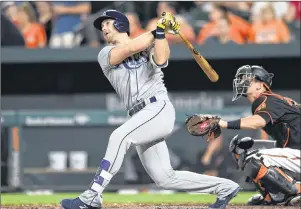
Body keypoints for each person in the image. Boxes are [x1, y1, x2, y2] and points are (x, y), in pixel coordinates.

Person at [60, 9, 240, 209]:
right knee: (165, 178)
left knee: (119, 137)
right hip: (141, 115)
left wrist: (161, 34)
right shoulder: (105, 53)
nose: (103, 28)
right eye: (101, 26)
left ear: (120, 24)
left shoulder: (147, 43)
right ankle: (226, 187)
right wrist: (159, 29)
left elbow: (161, 60)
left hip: (157, 107)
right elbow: (129, 49)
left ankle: (92, 195)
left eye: (107, 23)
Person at [187, 65, 300, 206]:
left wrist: (223, 123)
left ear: (260, 85)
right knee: (245, 152)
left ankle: (296, 190)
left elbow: (258, 122)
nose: (242, 82)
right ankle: (272, 196)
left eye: (248, 79)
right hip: (294, 154)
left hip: (298, 153)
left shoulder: (267, 99)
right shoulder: (271, 101)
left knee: (255, 157)